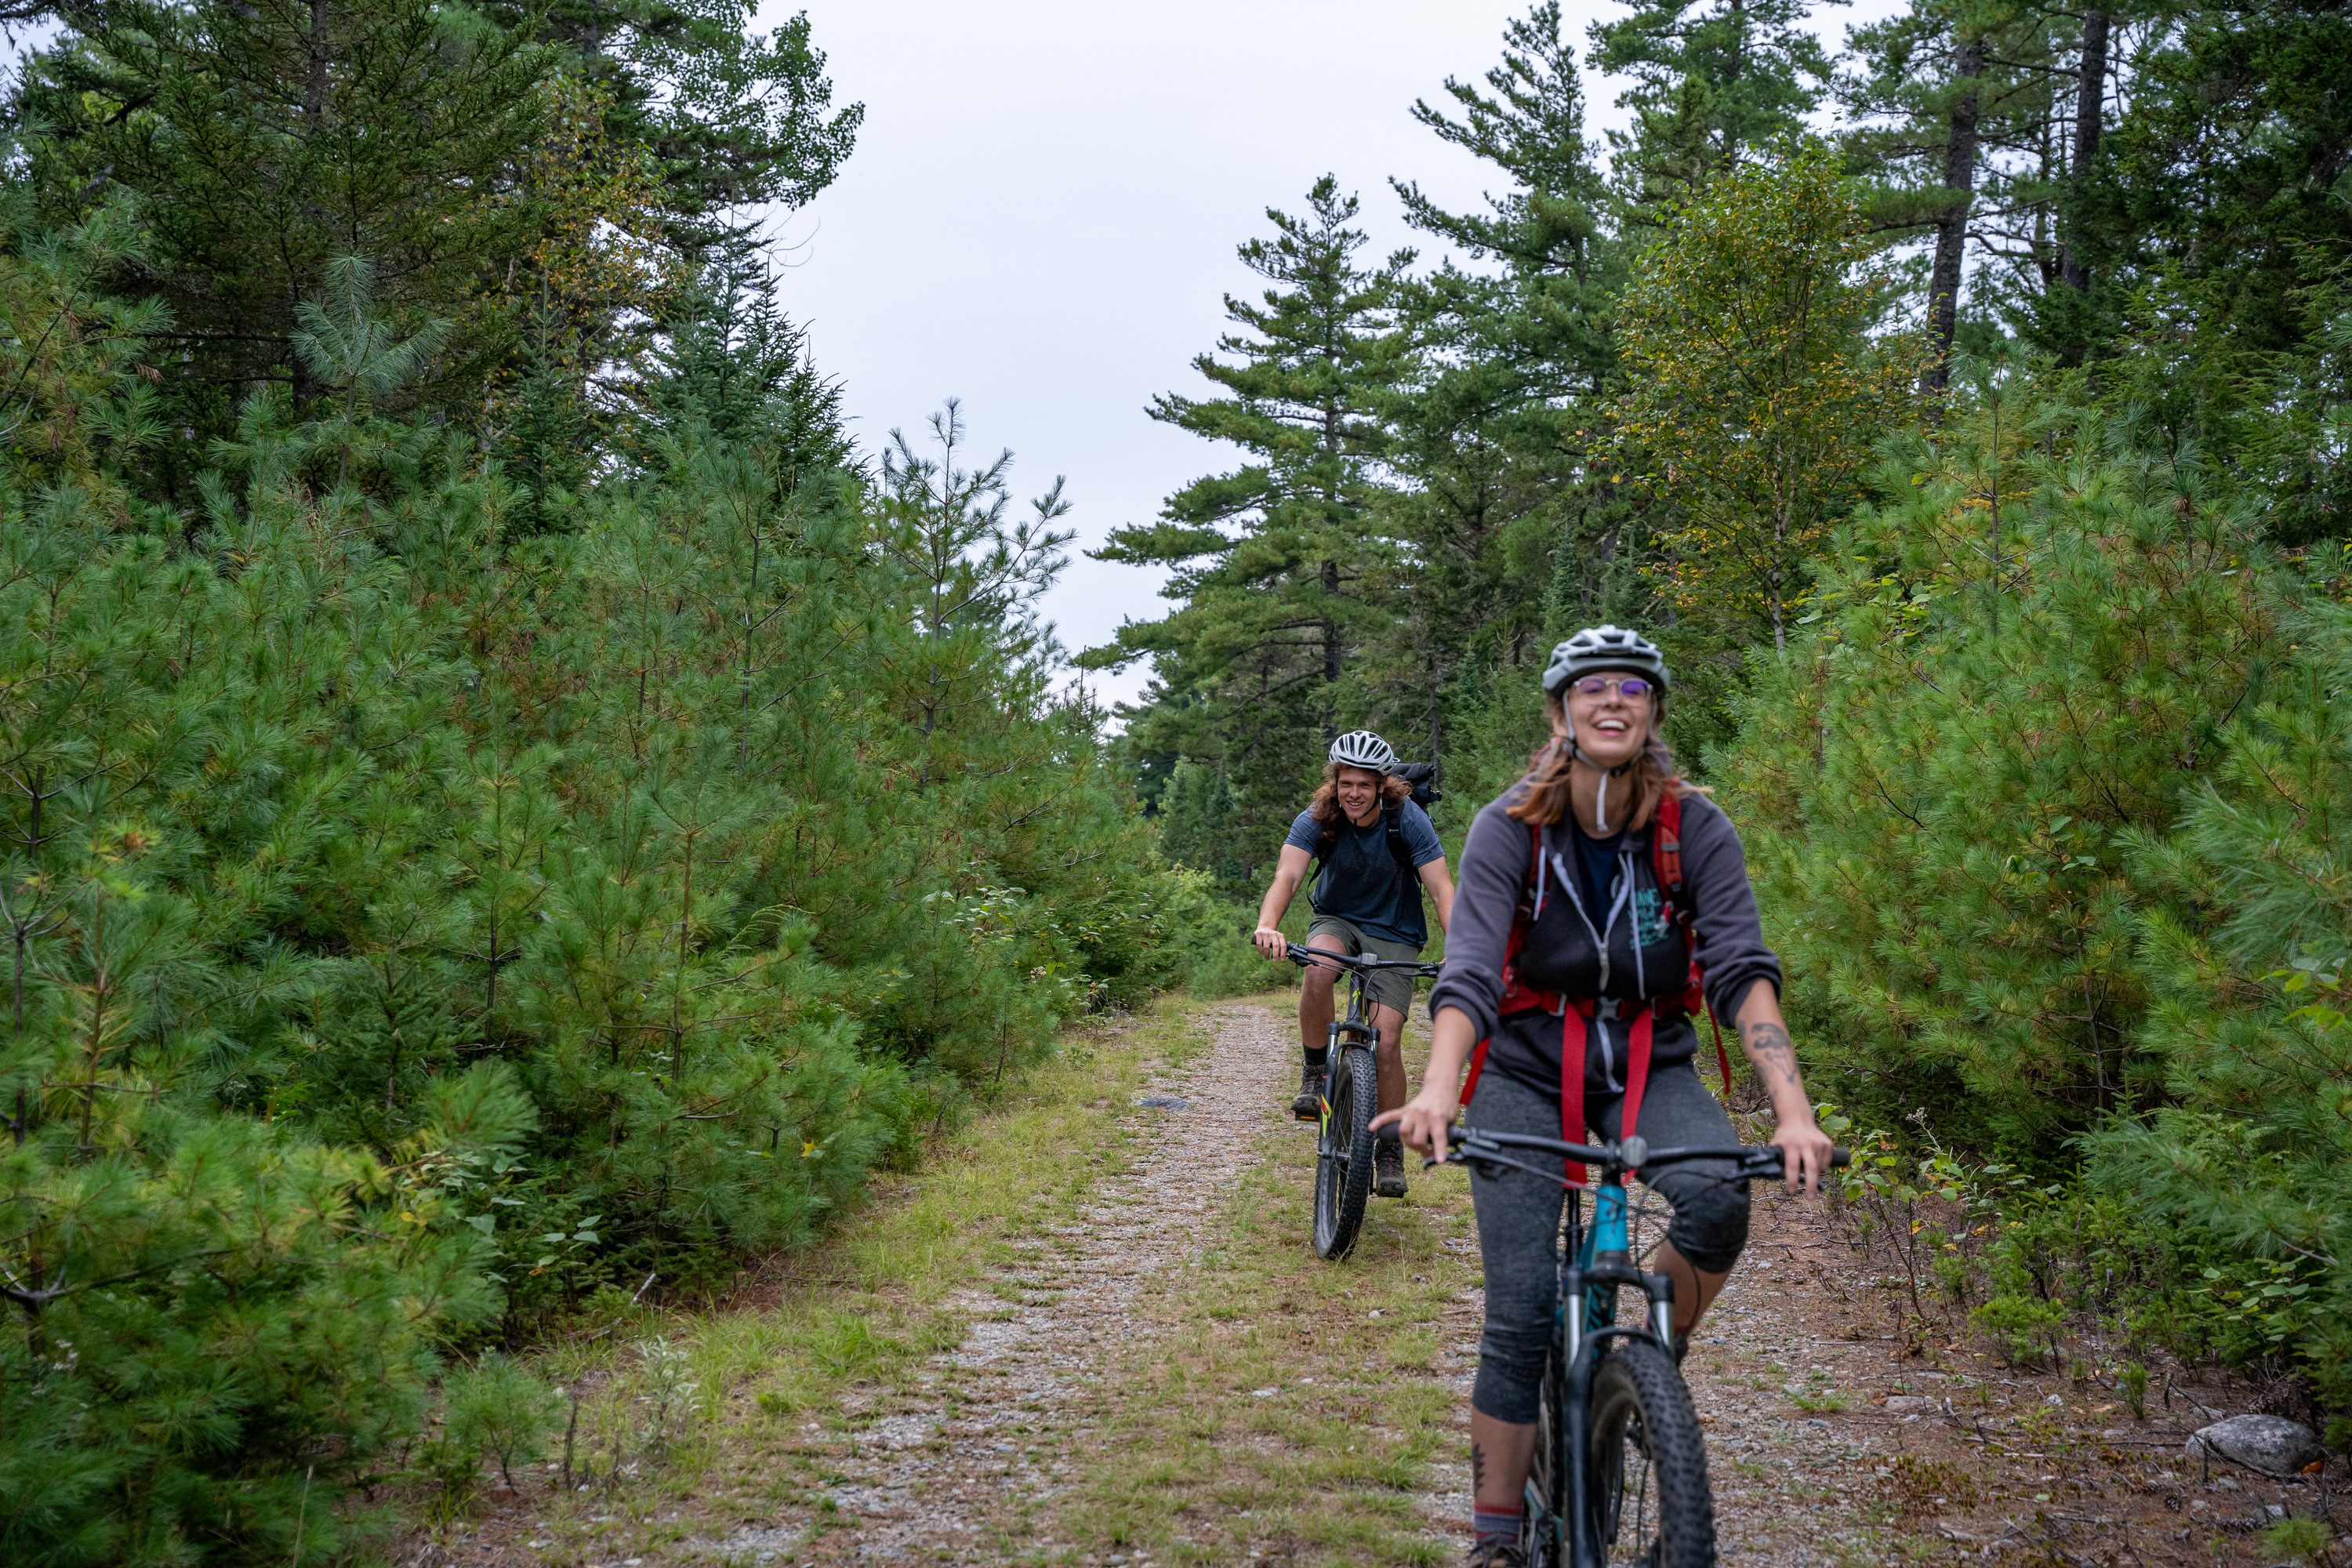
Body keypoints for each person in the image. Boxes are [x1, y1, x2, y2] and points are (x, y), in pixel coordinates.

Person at [1371, 626, 1835, 1568]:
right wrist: (1434, 1092)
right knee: (1521, 1303)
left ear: (1654, 710)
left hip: (1650, 1064)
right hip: (1527, 1067)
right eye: (1591, 688)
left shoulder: (1694, 826)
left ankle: (1645, 1363)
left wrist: (1792, 1107)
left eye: (1632, 687)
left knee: (1714, 1197)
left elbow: (1742, 971)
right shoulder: (1510, 827)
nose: (1611, 700)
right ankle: (1497, 1539)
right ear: (1560, 711)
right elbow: (1467, 972)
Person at [1253, 731, 1456, 1198]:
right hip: (1337, 918)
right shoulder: (1318, 818)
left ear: (1382, 785)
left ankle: (1388, 1148)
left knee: (1385, 1041)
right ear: (1335, 781)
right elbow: (1288, 874)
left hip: (1397, 931)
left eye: (1365, 784)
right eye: (1347, 783)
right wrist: (1269, 924)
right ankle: (1315, 1072)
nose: (1354, 794)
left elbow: (1443, 889)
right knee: (1318, 968)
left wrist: (1461, 947)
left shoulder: (1409, 820)